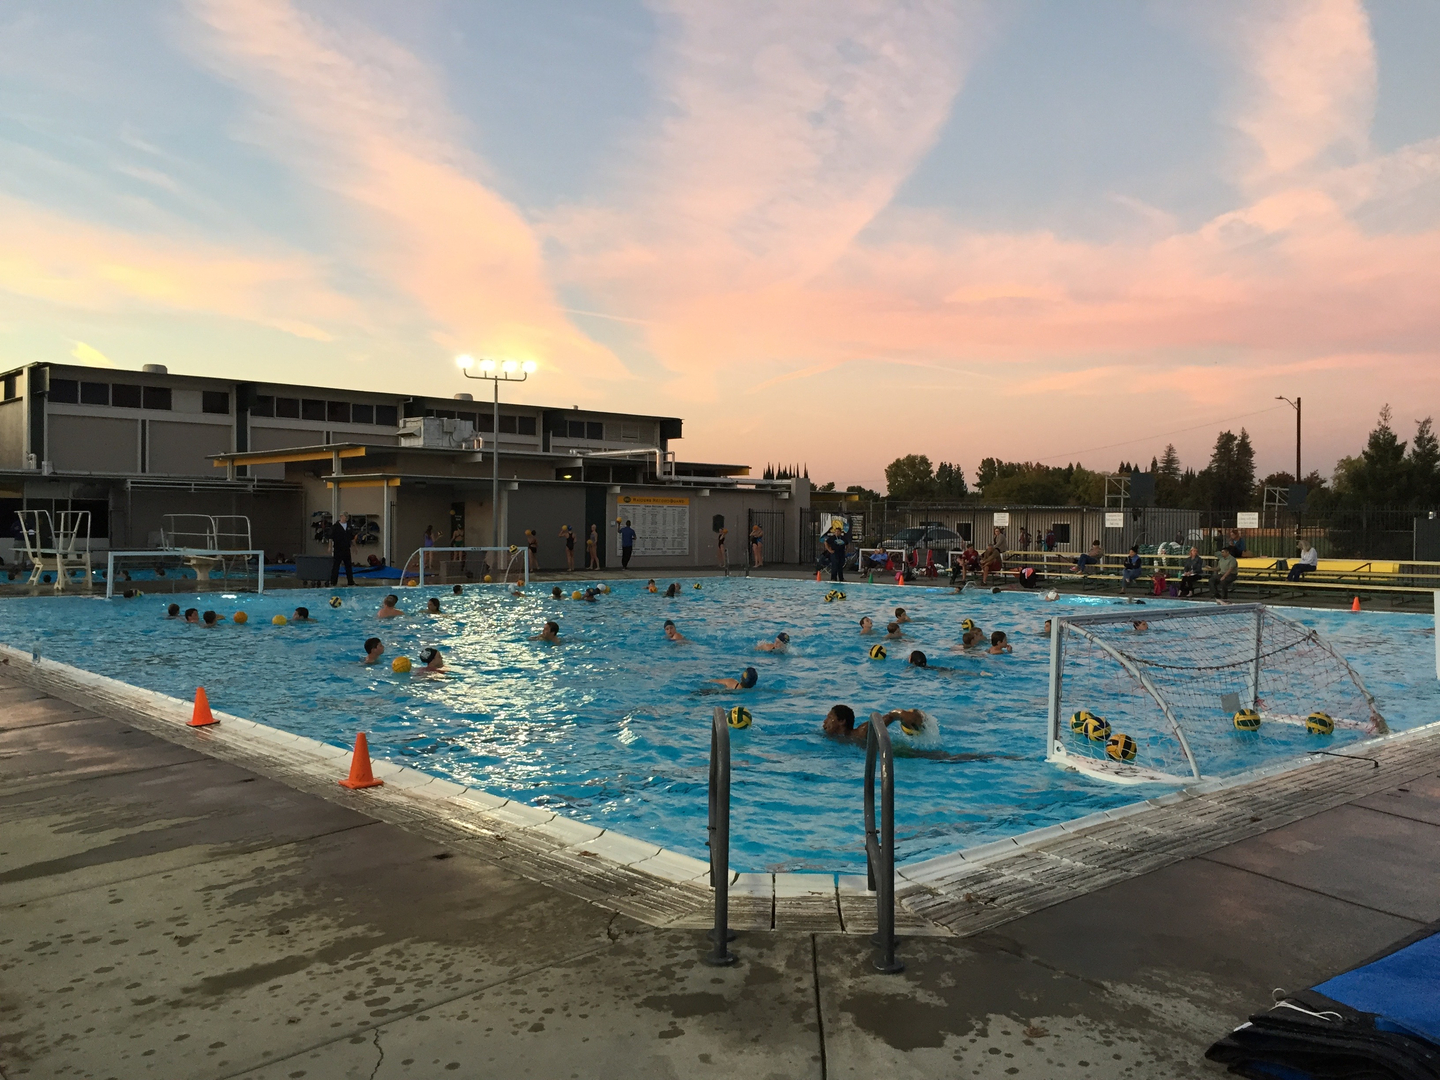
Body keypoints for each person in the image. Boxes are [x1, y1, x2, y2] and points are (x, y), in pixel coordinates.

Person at [329, 512, 355, 587]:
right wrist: (329, 547)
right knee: (336, 565)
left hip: (346, 548)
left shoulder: (349, 527)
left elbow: (352, 538)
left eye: (347, 517)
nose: (346, 518)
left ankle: (350, 581)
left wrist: (355, 547)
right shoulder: (335, 527)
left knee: (348, 566)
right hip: (338, 549)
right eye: (345, 516)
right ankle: (333, 582)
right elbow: (330, 537)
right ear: (341, 516)